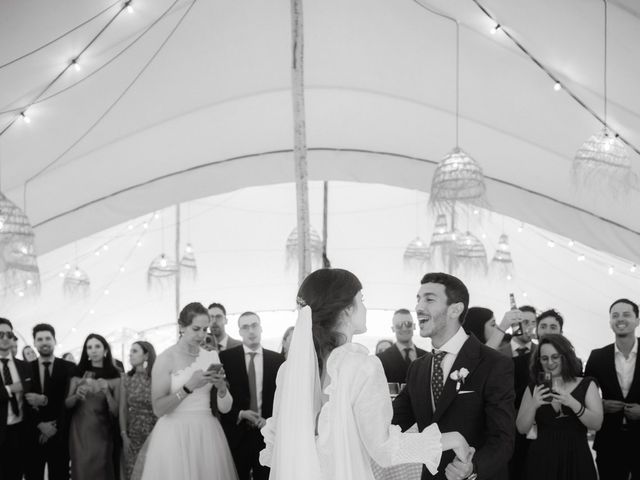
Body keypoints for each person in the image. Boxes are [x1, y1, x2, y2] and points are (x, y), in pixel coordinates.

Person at [260, 268, 471, 480]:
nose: (365, 307)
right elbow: (384, 448)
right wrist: (452, 439)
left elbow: (274, 445)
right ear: (347, 309)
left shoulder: (288, 371)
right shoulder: (362, 366)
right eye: (361, 299)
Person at [393, 272, 515, 480]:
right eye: (418, 299)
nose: (419, 307)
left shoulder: (494, 363)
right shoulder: (417, 369)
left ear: (455, 309)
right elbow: (394, 423)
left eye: (429, 299)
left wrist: (473, 467)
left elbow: (503, 438)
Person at [136, 302, 237, 480]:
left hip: (207, 432)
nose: (201, 335)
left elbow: (225, 408)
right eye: (196, 328)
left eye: (205, 329)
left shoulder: (211, 356)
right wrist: (188, 386)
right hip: (174, 434)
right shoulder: (165, 359)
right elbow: (158, 409)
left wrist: (221, 387)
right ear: (182, 327)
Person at [516, 334, 602, 480]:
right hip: (541, 460)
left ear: (566, 357)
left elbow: (596, 424)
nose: (550, 362)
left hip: (577, 457)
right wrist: (534, 405)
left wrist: (572, 402)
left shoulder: (587, 384)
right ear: (539, 361)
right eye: (544, 358)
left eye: (555, 357)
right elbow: (521, 428)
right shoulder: (534, 388)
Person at [219, 312, 284, 480]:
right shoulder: (226, 358)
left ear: (261, 328)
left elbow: (281, 398)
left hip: (266, 434)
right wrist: (240, 413)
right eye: (245, 327)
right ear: (239, 332)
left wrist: (269, 422)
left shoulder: (277, 360)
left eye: (254, 325)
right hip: (237, 433)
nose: (251, 331)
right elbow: (219, 395)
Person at [584, 298, 640, 480]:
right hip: (609, 440)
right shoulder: (597, 356)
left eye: (626, 315)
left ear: (637, 320)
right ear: (610, 322)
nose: (620, 319)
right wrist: (600, 405)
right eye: (615, 316)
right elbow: (583, 394)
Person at [66, 334, 121, 480]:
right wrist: (77, 395)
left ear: (105, 350)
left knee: (102, 469)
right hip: (80, 430)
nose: (93, 350)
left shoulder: (115, 375)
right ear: (86, 351)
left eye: (97, 346)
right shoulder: (78, 374)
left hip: (103, 431)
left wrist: (107, 393)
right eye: (89, 347)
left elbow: (116, 411)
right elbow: (66, 404)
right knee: (81, 468)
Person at [25, 323, 75, 480]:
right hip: (34, 436)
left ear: (55, 341)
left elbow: (69, 401)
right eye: (40, 339)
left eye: (48, 338)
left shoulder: (70, 367)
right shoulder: (25, 368)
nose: (44, 342)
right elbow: (23, 403)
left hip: (60, 435)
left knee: (60, 475)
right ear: (34, 343)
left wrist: (55, 426)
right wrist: (40, 425)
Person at [0, 317, 33, 480]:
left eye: (8, 334)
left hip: (19, 432)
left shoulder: (24, 366)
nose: (5, 338)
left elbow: (30, 392)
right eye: (0, 335)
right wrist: (10, 389)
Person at [120, 342, 157, 480]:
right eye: (130, 351)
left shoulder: (156, 377)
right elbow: (123, 409)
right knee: (133, 472)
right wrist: (124, 435)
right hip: (133, 434)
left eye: (135, 351)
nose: (130, 354)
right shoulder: (126, 378)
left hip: (154, 432)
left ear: (146, 355)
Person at [377, 309, 427, 384]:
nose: (404, 328)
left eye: (408, 324)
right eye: (399, 325)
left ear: (414, 326)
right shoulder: (381, 359)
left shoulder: (427, 357)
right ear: (393, 329)